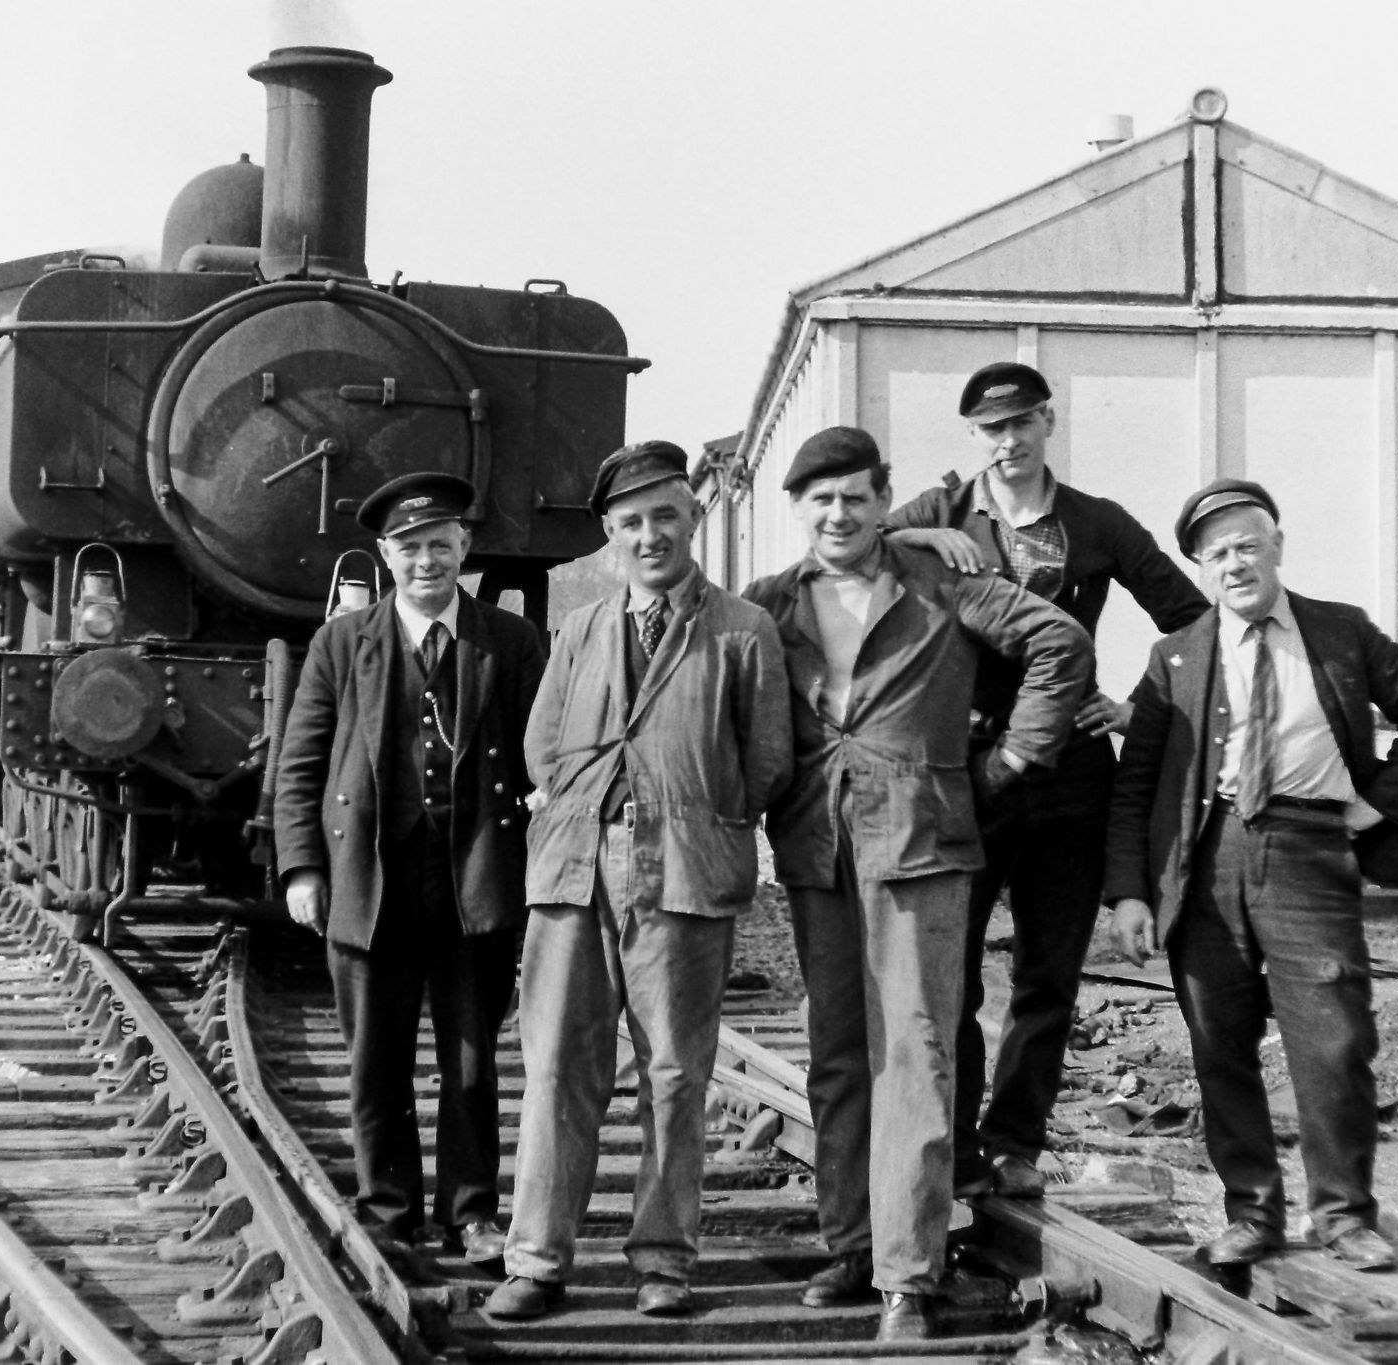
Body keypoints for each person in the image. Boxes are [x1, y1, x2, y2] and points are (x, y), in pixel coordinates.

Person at [744, 426, 1091, 1340]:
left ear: (879, 498)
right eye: (820, 498)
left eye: (855, 496)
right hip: (818, 848)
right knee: (837, 1054)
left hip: (923, 846)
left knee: (919, 1053)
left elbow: (1058, 642)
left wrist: (1014, 756)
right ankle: (849, 1246)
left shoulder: (940, 582)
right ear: (798, 509)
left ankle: (909, 1274)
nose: (838, 513)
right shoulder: (769, 602)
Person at [1105, 478, 1398, 1272]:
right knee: (1219, 1042)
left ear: (1277, 547)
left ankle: (1343, 1217)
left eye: (1247, 546)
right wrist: (1130, 889)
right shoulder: (1176, 656)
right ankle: (1252, 1214)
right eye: (1216, 554)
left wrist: (1378, 806)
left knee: (1334, 1041)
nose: (1234, 564)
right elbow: (1136, 781)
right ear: (1200, 569)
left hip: (1308, 848)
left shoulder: (1340, 632)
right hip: (1203, 859)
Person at [485, 440, 793, 1321]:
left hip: (685, 874)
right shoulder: (579, 629)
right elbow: (545, 746)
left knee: (673, 1073)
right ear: (609, 538)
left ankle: (663, 1260)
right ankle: (538, 1260)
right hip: (575, 872)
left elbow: (766, 760)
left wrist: (689, 804)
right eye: (630, 524)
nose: (649, 535)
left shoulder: (742, 630)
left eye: (664, 516)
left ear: (693, 517)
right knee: (555, 1067)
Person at [885, 362, 1208, 1199]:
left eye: (1023, 422)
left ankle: (1014, 1142)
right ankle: (951, 1145)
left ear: (1049, 422)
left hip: (1068, 778)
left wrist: (1139, 707)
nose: (1009, 440)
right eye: (993, 429)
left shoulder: (1098, 523)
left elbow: (1193, 622)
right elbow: (857, 544)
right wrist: (921, 539)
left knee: (1048, 974)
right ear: (973, 437)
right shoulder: (943, 510)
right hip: (967, 773)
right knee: (949, 977)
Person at [273, 471, 546, 1265]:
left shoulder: (511, 640)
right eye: (409, 547)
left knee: (471, 1057)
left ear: (464, 547)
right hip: (372, 877)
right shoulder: (340, 643)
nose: (426, 560)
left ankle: (472, 1211)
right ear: (384, 555)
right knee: (376, 1057)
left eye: (440, 544)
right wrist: (301, 869)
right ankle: (388, 1208)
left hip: (477, 874)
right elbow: (300, 766)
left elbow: (546, 756)